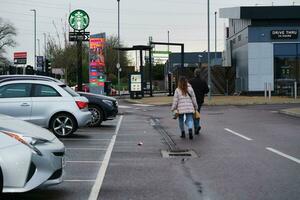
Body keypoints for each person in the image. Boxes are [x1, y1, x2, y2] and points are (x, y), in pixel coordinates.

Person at [189, 68, 209, 135]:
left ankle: (196, 127)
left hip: (191, 100)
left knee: (193, 114)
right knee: (197, 112)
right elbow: (207, 90)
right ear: (200, 74)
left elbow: (187, 90)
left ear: (194, 73)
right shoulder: (203, 81)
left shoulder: (190, 81)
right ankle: (197, 127)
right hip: (200, 100)